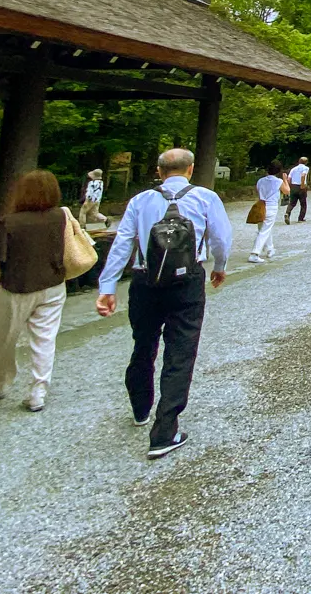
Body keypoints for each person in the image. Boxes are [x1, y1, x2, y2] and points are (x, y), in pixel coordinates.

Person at [97, 148, 232, 460]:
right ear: (191, 169)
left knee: (143, 343)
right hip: (187, 280)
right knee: (180, 351)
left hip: (145, 280)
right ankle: (165, 429)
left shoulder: (141, 201)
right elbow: (221, 239)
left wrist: (108, 285)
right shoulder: (205, 198)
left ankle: (140, 407)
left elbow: (122, 243)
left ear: (158, 172)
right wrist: (220, 266)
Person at [0, 170, 69, 413]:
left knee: (6, 338)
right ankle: (38, 392)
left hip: (16, 287)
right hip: (52, 285)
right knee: (45, 339)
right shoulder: (60, 216)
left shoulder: (9, 222)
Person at [248, 161, 285, 264]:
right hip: (271, 206)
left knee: (263, 228)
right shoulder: (278, 181)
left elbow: (258, 190)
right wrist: (285, 180)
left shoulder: (260, 181)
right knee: (264, 230)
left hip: (261, 205)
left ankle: (270, 249)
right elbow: (286, 191)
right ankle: (254, 254)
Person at [284, 157, 311, 224]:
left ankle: (287, 213)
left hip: (293, 186)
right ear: (306, 162)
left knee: (292, 203)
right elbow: (303, 175)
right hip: (301, 187)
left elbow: (289, 178)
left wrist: (290, 186)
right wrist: (302, 184)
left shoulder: (293, 169)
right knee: (303, 204)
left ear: (299, 161)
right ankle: (300, 218)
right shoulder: (305, 168)